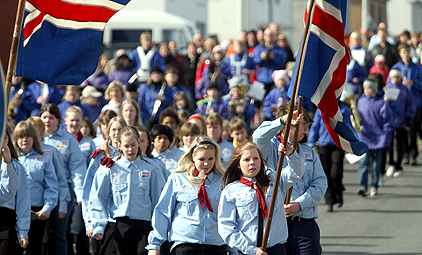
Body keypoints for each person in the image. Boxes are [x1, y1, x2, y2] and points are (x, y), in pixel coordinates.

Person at [218, 141, 305, 255]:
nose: (252, 163)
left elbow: (297, 172)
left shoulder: (274, 179)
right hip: (247, 251)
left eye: (256, 158)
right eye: (246, 160)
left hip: (275, 249)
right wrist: (251, 250)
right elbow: (226, 227)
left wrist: (291, 154)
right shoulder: (231, 191)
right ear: (238, 164)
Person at [147, 136, 227, 255]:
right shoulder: (178, 178)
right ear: (193, 157)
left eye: (211, 158)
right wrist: (155, 245)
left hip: (216, 246)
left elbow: (229, 216)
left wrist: (233, 248)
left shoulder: (223, 180)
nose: (206, 163)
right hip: (185, 245)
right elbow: (163, 211)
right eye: (201, 159)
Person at [91, 127, 164, 255]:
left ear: (139, 143)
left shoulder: (151, 168)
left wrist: (159, 227)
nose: (130, 149)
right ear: (119, 146)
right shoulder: (111, 168)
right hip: (121, 224)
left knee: (142, 252)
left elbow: (158, 199)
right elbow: (100, 197)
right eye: (126, 146)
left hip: (145, 224)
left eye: (133, 145)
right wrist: (99, 224)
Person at [274, 106, 327, 255]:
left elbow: (320, 183)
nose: (305, 128)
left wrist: (299, 204)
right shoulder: (270, 150)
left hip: (305, 225)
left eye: (306, 125)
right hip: (279, 226)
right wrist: (280, 121)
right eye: (302, 124)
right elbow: (258, 136)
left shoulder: (309, 152)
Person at [39, 103, 85, 255]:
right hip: (40, 191)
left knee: (60, 234)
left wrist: (79, 193)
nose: (47, 121)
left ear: (58, 120)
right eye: (44, 117)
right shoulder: (36, 137)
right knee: (42, 234)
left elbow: (77, 168)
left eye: (51, 118)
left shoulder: (68, 139)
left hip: (63, 192)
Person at [82, 117, 127, 255]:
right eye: (113, 129)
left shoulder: (130, 155)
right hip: (101, 217)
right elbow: (89, 189)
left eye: (120, 129)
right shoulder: (100, 155)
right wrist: (90, 222)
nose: (116, 133)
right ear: (108, 132)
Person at [14, 121, 58, 255]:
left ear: (34, 138)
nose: (24, 140)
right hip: (15, 211)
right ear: (15, 139)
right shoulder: (11, 159)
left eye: (28, 136)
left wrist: (47, 208)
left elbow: (51, 186)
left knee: (34, 249)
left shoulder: (44, 159)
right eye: (20, 137)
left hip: (36, 213)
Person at [307, 102, 352, 212]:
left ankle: (339, 192)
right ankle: (329, 201)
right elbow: (315, 126)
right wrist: (311, 142)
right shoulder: (321, 109)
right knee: (326, 173)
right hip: (323, 144)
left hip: (338, 144)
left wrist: (351, 142)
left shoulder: (344, 109)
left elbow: (348, 127)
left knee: (336, 173)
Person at [356, 79, 394, 197]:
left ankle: (374, 185)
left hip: (379, 139)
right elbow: (357, 117)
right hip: (365, 137)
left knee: (376, 164)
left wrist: (386, 132)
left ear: (375, 89)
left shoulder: (382, 102)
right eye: (365, 88)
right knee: (363, 162)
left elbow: (387, 119)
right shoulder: (360, 101)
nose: (367, 90)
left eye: (369, 88)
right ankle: (362, 186)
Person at [390, 43, 422, 165]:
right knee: (401, 132)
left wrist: (414, 83)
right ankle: (404, 154)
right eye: (404, 51)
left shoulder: (417, 67)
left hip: (414, 103)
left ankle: (413, 154)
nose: (406, 54)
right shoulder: (396, 67)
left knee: (413, 130)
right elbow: (389, 85)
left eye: (408, 51)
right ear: (400, 53)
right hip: (400, 105)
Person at [0, 127, 30, 254]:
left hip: (5, 222)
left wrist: (22, 231)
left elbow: (22, 200)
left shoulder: (17, 167)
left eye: (4, 137)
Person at [385, 69, 416, 177]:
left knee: (400, 144)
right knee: (389, 144)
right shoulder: (388, 88)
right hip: (390, 121)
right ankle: (391, 163)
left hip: (401, 121)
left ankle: (398, 165)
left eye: (397, 77)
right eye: (393, 77)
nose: (395, 79)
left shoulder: (405, 90)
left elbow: (410, 105)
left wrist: (408, 120)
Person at [253, 28, 288, 95]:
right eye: (267, 35)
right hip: (262, 79)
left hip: (275, 81)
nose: (269, 37)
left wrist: (274, 57)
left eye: (271, 35)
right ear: (264, 36)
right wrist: (261, 58)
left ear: (274, 36)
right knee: (260, 102)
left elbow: (283, 62)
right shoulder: (258, 48)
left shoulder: (279, 49)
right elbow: (254, 61)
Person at [0, 128, 20, 205]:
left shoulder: (14, 165)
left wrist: (8, 163)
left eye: (4, 138)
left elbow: (7, 193)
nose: (1, 142)